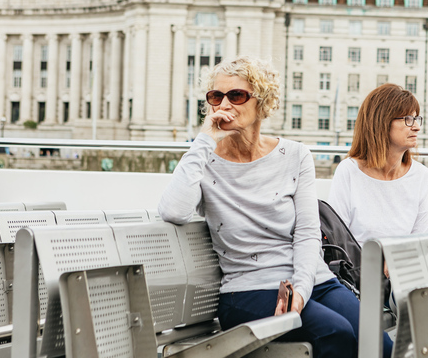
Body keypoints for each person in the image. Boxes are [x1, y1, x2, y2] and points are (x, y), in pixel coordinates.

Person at [158, 56, 392, 358]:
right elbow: (173, 210)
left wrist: (301, 291)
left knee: (380, 344)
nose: (224, 105)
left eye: (237, 95)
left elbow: (308, 234)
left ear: (262, 102)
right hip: (247, 291)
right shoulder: (204, 159)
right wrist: (205, 138)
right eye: (216, 96)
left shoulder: (294, 155)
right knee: (335, 333)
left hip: (312, 280)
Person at [329, 84, 428, 245]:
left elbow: (422, 241)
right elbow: (338, 240)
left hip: (401, 266)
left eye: (416, 118)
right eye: (408, 119)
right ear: (381, 122)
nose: (417, 127)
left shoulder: (421, 176)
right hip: (357, 267)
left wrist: (394, 257)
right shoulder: (348, 171)